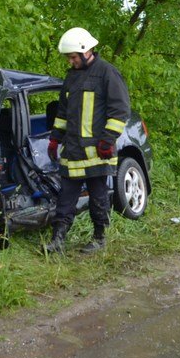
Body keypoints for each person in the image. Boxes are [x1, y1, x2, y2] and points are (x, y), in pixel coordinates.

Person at [43, 27, 131, 255]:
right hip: (72, 151)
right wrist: (54, 139)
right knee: (66, 197)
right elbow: (62, 113)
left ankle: (100, 237)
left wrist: (107, 140)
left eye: (73, 57)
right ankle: (57, 240)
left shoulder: (107, 74)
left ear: (86, 51)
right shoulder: (71, 78)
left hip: (97, 153)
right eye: (68, 58)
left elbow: (120, 111)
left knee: (98, 197)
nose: (71, 62)